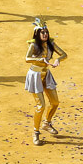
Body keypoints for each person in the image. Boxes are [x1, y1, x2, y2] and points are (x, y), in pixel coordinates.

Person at [25, 18, 67, 146]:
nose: (45, 34)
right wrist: (41, 60)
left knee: (55, 102)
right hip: (35, 75)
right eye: (42, 32)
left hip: (46, 74)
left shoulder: (51, 44)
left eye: (46, 32)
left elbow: (64, 54)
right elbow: (27, 59)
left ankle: (46, 124)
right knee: (41, 106)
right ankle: (35, 132)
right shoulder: (33, 45)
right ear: (37, 34)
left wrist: (58, 60)